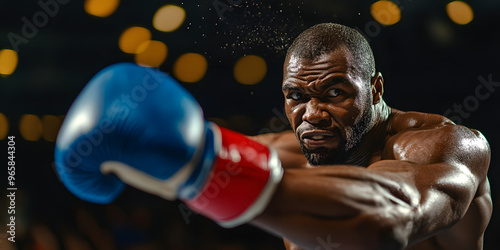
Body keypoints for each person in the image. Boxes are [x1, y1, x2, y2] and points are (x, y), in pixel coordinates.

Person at [54, 23, 492, 250]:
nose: (311, 114)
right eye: (296, 96)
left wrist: (203, 165)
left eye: (335, 93)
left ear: (375, 89)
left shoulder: (444, 146)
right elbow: (182, 157)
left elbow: (391, 224)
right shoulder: (283, 152)